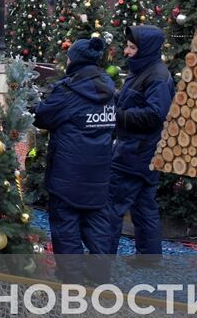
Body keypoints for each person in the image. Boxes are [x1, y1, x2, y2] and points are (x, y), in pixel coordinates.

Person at [33, 36, 116, 281]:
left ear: (75, 61)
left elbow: (43, 117)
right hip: (99, 172)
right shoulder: (108, 88)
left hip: (68, 174)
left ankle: (72, 278)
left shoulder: (68, 91)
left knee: (66, 225)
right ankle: (99, 276)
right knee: (98, 224)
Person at [107, 25, 175, 258]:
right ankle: (149, 257)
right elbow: (132, 99)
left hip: (136, 152)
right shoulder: (144, 71)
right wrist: (112, 96)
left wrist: (118, 115)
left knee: (113, 206)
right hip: (142, 150)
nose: (126, 51)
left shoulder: (157, 76)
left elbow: (156, 114)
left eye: (132, 47)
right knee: (144, 206)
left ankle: (102, 260)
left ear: (145, 49)